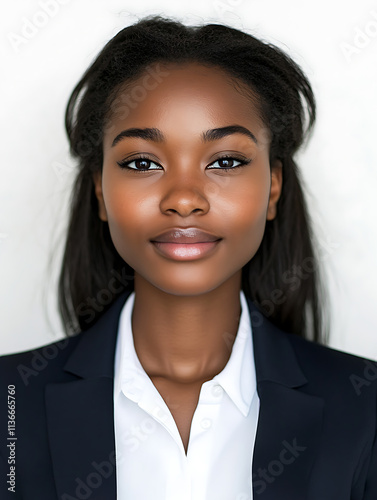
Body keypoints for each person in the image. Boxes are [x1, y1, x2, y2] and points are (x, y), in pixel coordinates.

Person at [0, 14, 376, 500]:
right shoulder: (9, 402)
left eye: (225, 161)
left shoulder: (364, 409)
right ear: (99, 188)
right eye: (142, 162)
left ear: (273, 188)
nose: (183, 198)